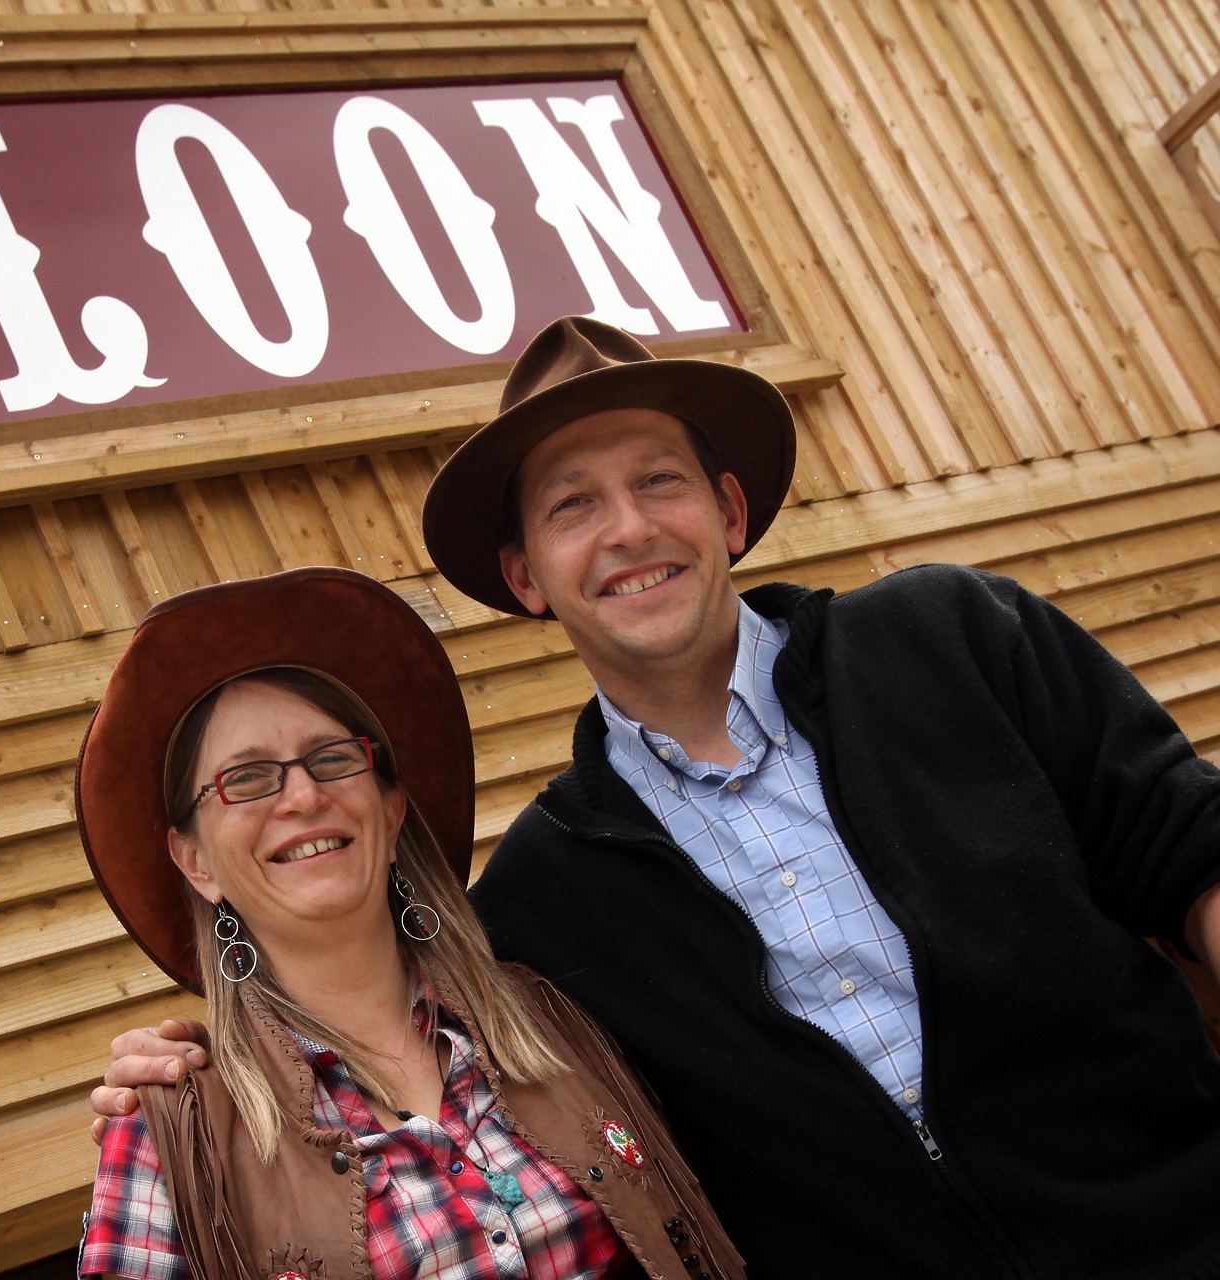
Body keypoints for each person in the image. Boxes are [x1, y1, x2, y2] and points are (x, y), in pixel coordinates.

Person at [94, 317, 1220, 1279]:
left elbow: (1186, 843)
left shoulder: (956, 639)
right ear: (528, 575)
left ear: (729, 510)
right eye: (574, 503)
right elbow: (356, 993)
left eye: (658, 480)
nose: (628, 527)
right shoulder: (546, 893)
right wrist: (204, 1050)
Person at [73, 566, 745, 1280]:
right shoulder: (173, 1129)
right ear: (196, 862)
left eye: (331, 759)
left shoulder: (550, 1014)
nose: (302, 796)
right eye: (246, 778)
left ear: (390, 813)